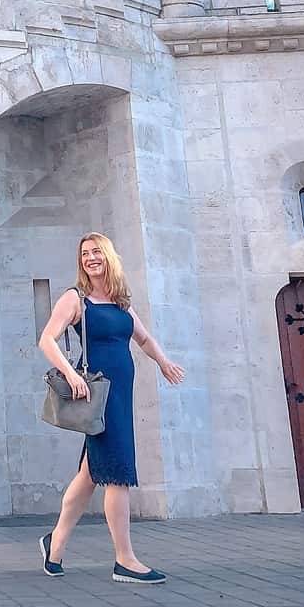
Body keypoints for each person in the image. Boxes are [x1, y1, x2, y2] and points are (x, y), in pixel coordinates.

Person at [37, 232, 185, 584]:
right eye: (85, 253)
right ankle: (125, 560)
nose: (90, 258)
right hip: (97, 396)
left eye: (96, 252)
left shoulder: (120, 301)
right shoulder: (75, 299)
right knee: (118, 472)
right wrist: (71, 374)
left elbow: (144, 338)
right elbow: (46, 339)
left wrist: (163, 363)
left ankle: (54, 544)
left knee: (90, 475)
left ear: (109, 257)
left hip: (121, 395)